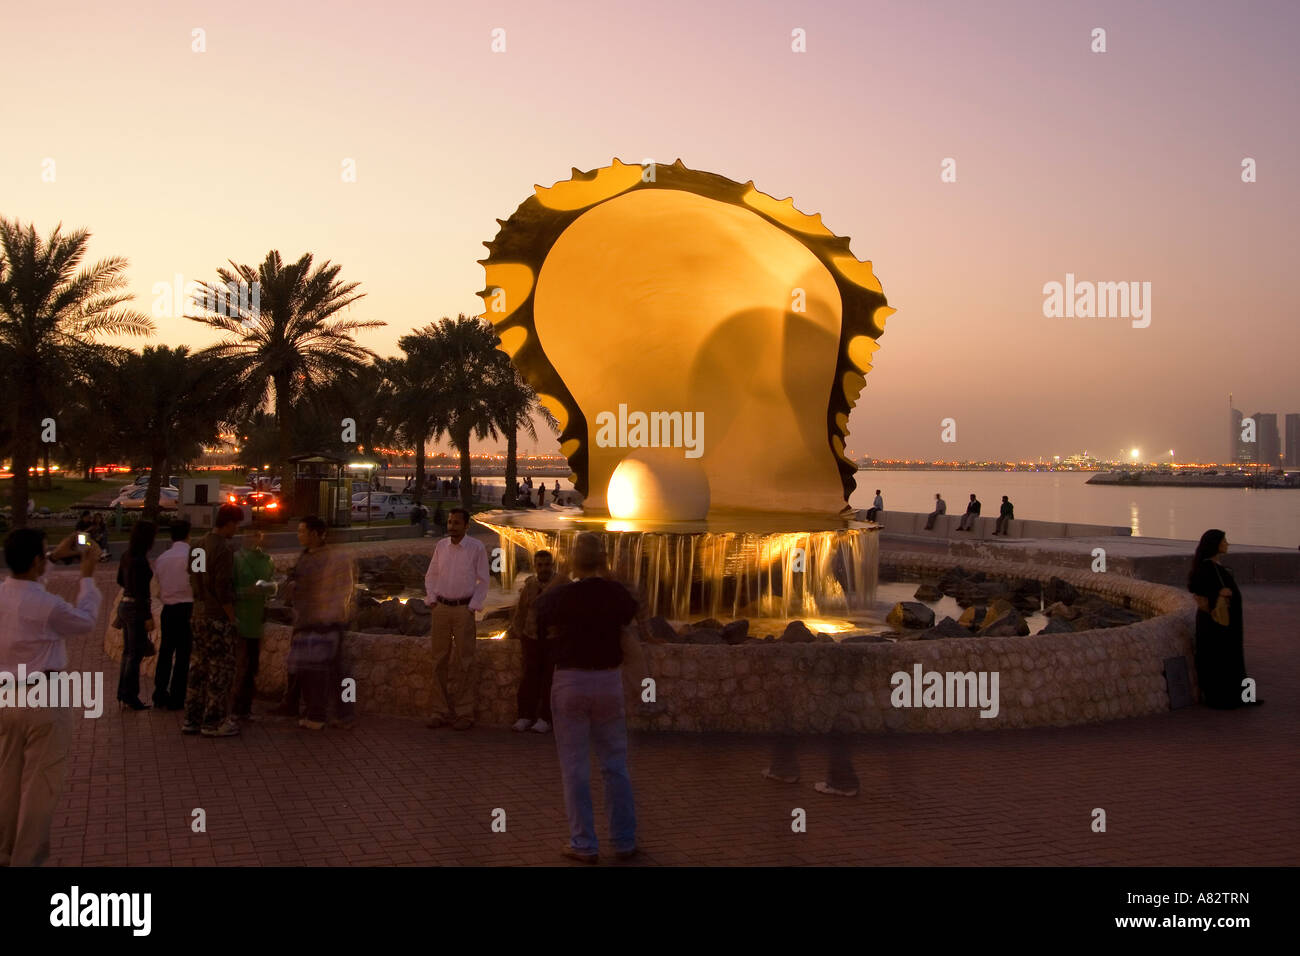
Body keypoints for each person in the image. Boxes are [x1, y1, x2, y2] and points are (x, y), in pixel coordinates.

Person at [0, 529, 101, 866]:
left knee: (8, 780)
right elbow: (85, 621)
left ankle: (5, 851)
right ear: (34, 561)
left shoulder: (4, 594)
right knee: (40, 787)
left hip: (6, 696)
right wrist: (87, 577)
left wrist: (55, 558)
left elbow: (31, 589)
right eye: (43, 555)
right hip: (44, 697)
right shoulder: (47, 605)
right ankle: (26, 860)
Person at [537, 533, 639, 863]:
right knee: (615, 765)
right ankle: (624, 840)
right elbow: (631, 610)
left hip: (570, 681)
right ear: (603, 558)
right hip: (608, 680)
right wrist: (606, 573)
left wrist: (565, 573)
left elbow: (539, 610)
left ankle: (583, 844)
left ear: (573, 559)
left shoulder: (563, 594)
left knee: (575, 767)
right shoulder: (615, 593)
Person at [283, 517, 356, 730]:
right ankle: (320, 712)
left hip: (327, 622)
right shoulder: (305, 556)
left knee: (335, 671)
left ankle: (338, 713)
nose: (299, 535)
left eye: (302, 531)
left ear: (315, 534)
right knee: (315, 670)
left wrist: (334, 614)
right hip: (309, 621)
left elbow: (342, 589)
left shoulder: (334, 558)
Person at [423, 507, 489, 731]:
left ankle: (464, 712)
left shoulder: (476, 548)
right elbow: (431, 575)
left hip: (463, 610)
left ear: (466, 525)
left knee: (465, 661)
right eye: (450, 522)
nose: (451, 526)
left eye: (456, 523)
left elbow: (483, 580)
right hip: (441, 608)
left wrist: (473, 607)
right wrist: (431, 598)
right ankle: (439, 711)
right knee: (438, 661)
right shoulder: (441, 547)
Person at [184, 504, 243, 737]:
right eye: (236, 525)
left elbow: (196, 577)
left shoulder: (197, 545)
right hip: (217, 616)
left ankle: (192, 718)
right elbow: (222, 587)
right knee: (221, 671)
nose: (236, 530)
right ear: (228, 523)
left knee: (198, 667)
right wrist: (232, 617)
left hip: (198, 614)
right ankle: (214, 721)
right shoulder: (223, 550)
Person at [1188, 530, 1260, 709]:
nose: (1227, 544)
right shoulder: (1207, 567)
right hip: (1215, 623)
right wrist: (1218, 593)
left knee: (1230, 657)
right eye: (1224, 541)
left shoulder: (1215, 566)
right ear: (1215, 545)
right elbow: (1195, 588)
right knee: (1218, 658)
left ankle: (1238, 696)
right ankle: (1220, 697)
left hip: (1226, 623)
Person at [509, 550, 567, 734]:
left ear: (553, 565)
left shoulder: (562, 585)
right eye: (540, 565)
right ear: (535, 566)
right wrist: (519, 633)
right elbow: (520, 612)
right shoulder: (530, 586)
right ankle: (525, 716)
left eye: (547, 565)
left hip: (552, 638)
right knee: (529, 677)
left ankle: (545, 718)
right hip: (532, 637)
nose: (543, 569)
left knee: (550, 679)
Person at [232, 529, 275, 720]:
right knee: (241, 666)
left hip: (256, 621)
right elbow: (227, 590)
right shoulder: (236, 559)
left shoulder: (267, 560)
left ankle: (244, 707)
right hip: (240, 620)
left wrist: (267, 589)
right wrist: (246, 592)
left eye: (256, 535)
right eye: (248, 535)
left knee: (251, 667)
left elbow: (272, 587)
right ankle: (235, 706)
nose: (252, 538)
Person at [152, 520, 194, 710]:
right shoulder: (196, 554)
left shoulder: (162, 558)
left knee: (166, 653)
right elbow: (200, 580)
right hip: (187, 608)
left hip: (168, 610)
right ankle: (178, 696)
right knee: (183, 654)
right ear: (188, 534)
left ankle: (159, 693)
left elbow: (158, 582)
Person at [115, 521, 157, 711]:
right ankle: (131, 695)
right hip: (136, 609)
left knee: (128, 653)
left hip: (125, 605)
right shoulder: (140, 561)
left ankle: (123, 693)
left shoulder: (126, 556)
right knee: (135, 654)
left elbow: (119, 580)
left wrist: (129, 588)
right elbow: (143, 592)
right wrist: (147, 616)